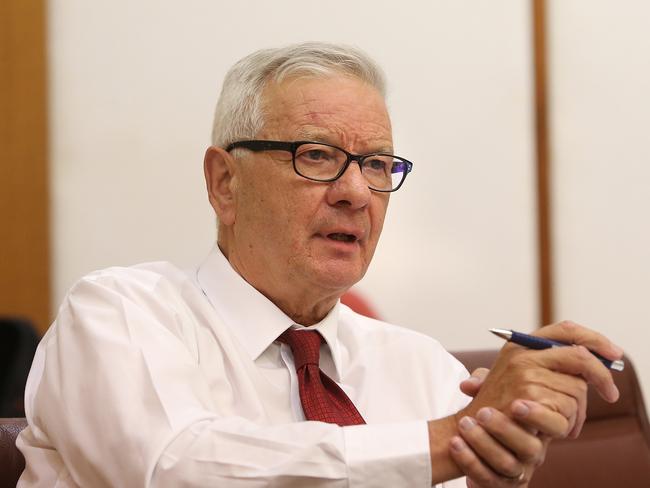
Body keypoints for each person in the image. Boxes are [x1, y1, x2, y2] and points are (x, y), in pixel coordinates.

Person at [17, 42, 623, 488]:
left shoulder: (421, 367)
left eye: (379, 165)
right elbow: (174, 468)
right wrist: (448, 440)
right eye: (316, 155)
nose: (356, 192)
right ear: (224, 182)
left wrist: (497, 457)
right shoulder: (119, 313)